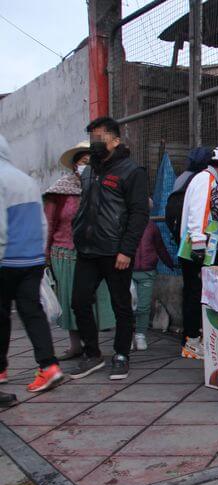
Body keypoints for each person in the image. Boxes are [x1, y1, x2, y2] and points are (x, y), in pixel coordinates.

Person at [69, 117, 149, 382]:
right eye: (93, 137)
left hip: (116, 252)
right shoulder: (90, 170)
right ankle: (92, 354)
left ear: (115, 140)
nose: (95, 143)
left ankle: (121, 355)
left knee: (121, 306)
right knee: (79, 302)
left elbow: (139, 215)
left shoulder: (131, 171)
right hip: (88, 249)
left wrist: (127, 250)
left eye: (100, 137)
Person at [0, 134, 63, 392]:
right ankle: (48, 366)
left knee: (1, 315)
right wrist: (40, 254)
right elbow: (42, 221)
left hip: (5, 259)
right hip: (31, 259)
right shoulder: (25, 179)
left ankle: (1, 369)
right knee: (32, 312)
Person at [44, 141, 115, 360]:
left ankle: (93, 346)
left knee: (96, 301)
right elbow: (49, 223)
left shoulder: (103, 186)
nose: (86, 166)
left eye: (90, 162)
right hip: (65, 253)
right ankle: (76, 345)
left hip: (97, 252)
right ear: (74, 165)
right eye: (83, 162)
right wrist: (45, 255)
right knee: (70, 301)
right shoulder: (60, 190)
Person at [178, 145, 218, 357]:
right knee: (195, 295)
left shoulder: (202, 178)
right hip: (197, 248)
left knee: (194, 294)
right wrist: (199, 245)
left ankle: (192, 338)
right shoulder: (207, 180)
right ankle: (192, 343)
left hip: (195, 245)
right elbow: (200, 213)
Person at [131, 199, 175, 351]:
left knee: (143, 306)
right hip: (128, 271)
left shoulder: (152, 228)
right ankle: (127, 335)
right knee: (127, 306)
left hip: (147, 271)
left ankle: (140, 335)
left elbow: (160, 248)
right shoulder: (125, 227)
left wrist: (170, 263)